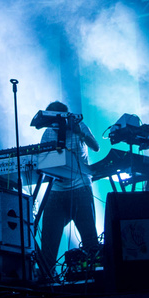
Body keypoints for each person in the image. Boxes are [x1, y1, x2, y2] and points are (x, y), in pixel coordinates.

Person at [36, 101, 101, 274]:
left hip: (80, 189)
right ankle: (47, 282)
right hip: (55, 192)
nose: (53, 125)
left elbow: (96, 146)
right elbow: (42, 160)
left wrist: (80, 133)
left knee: (90, 241)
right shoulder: (47, 132)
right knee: (48, 245)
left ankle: (95, 279)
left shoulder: (79, 125)